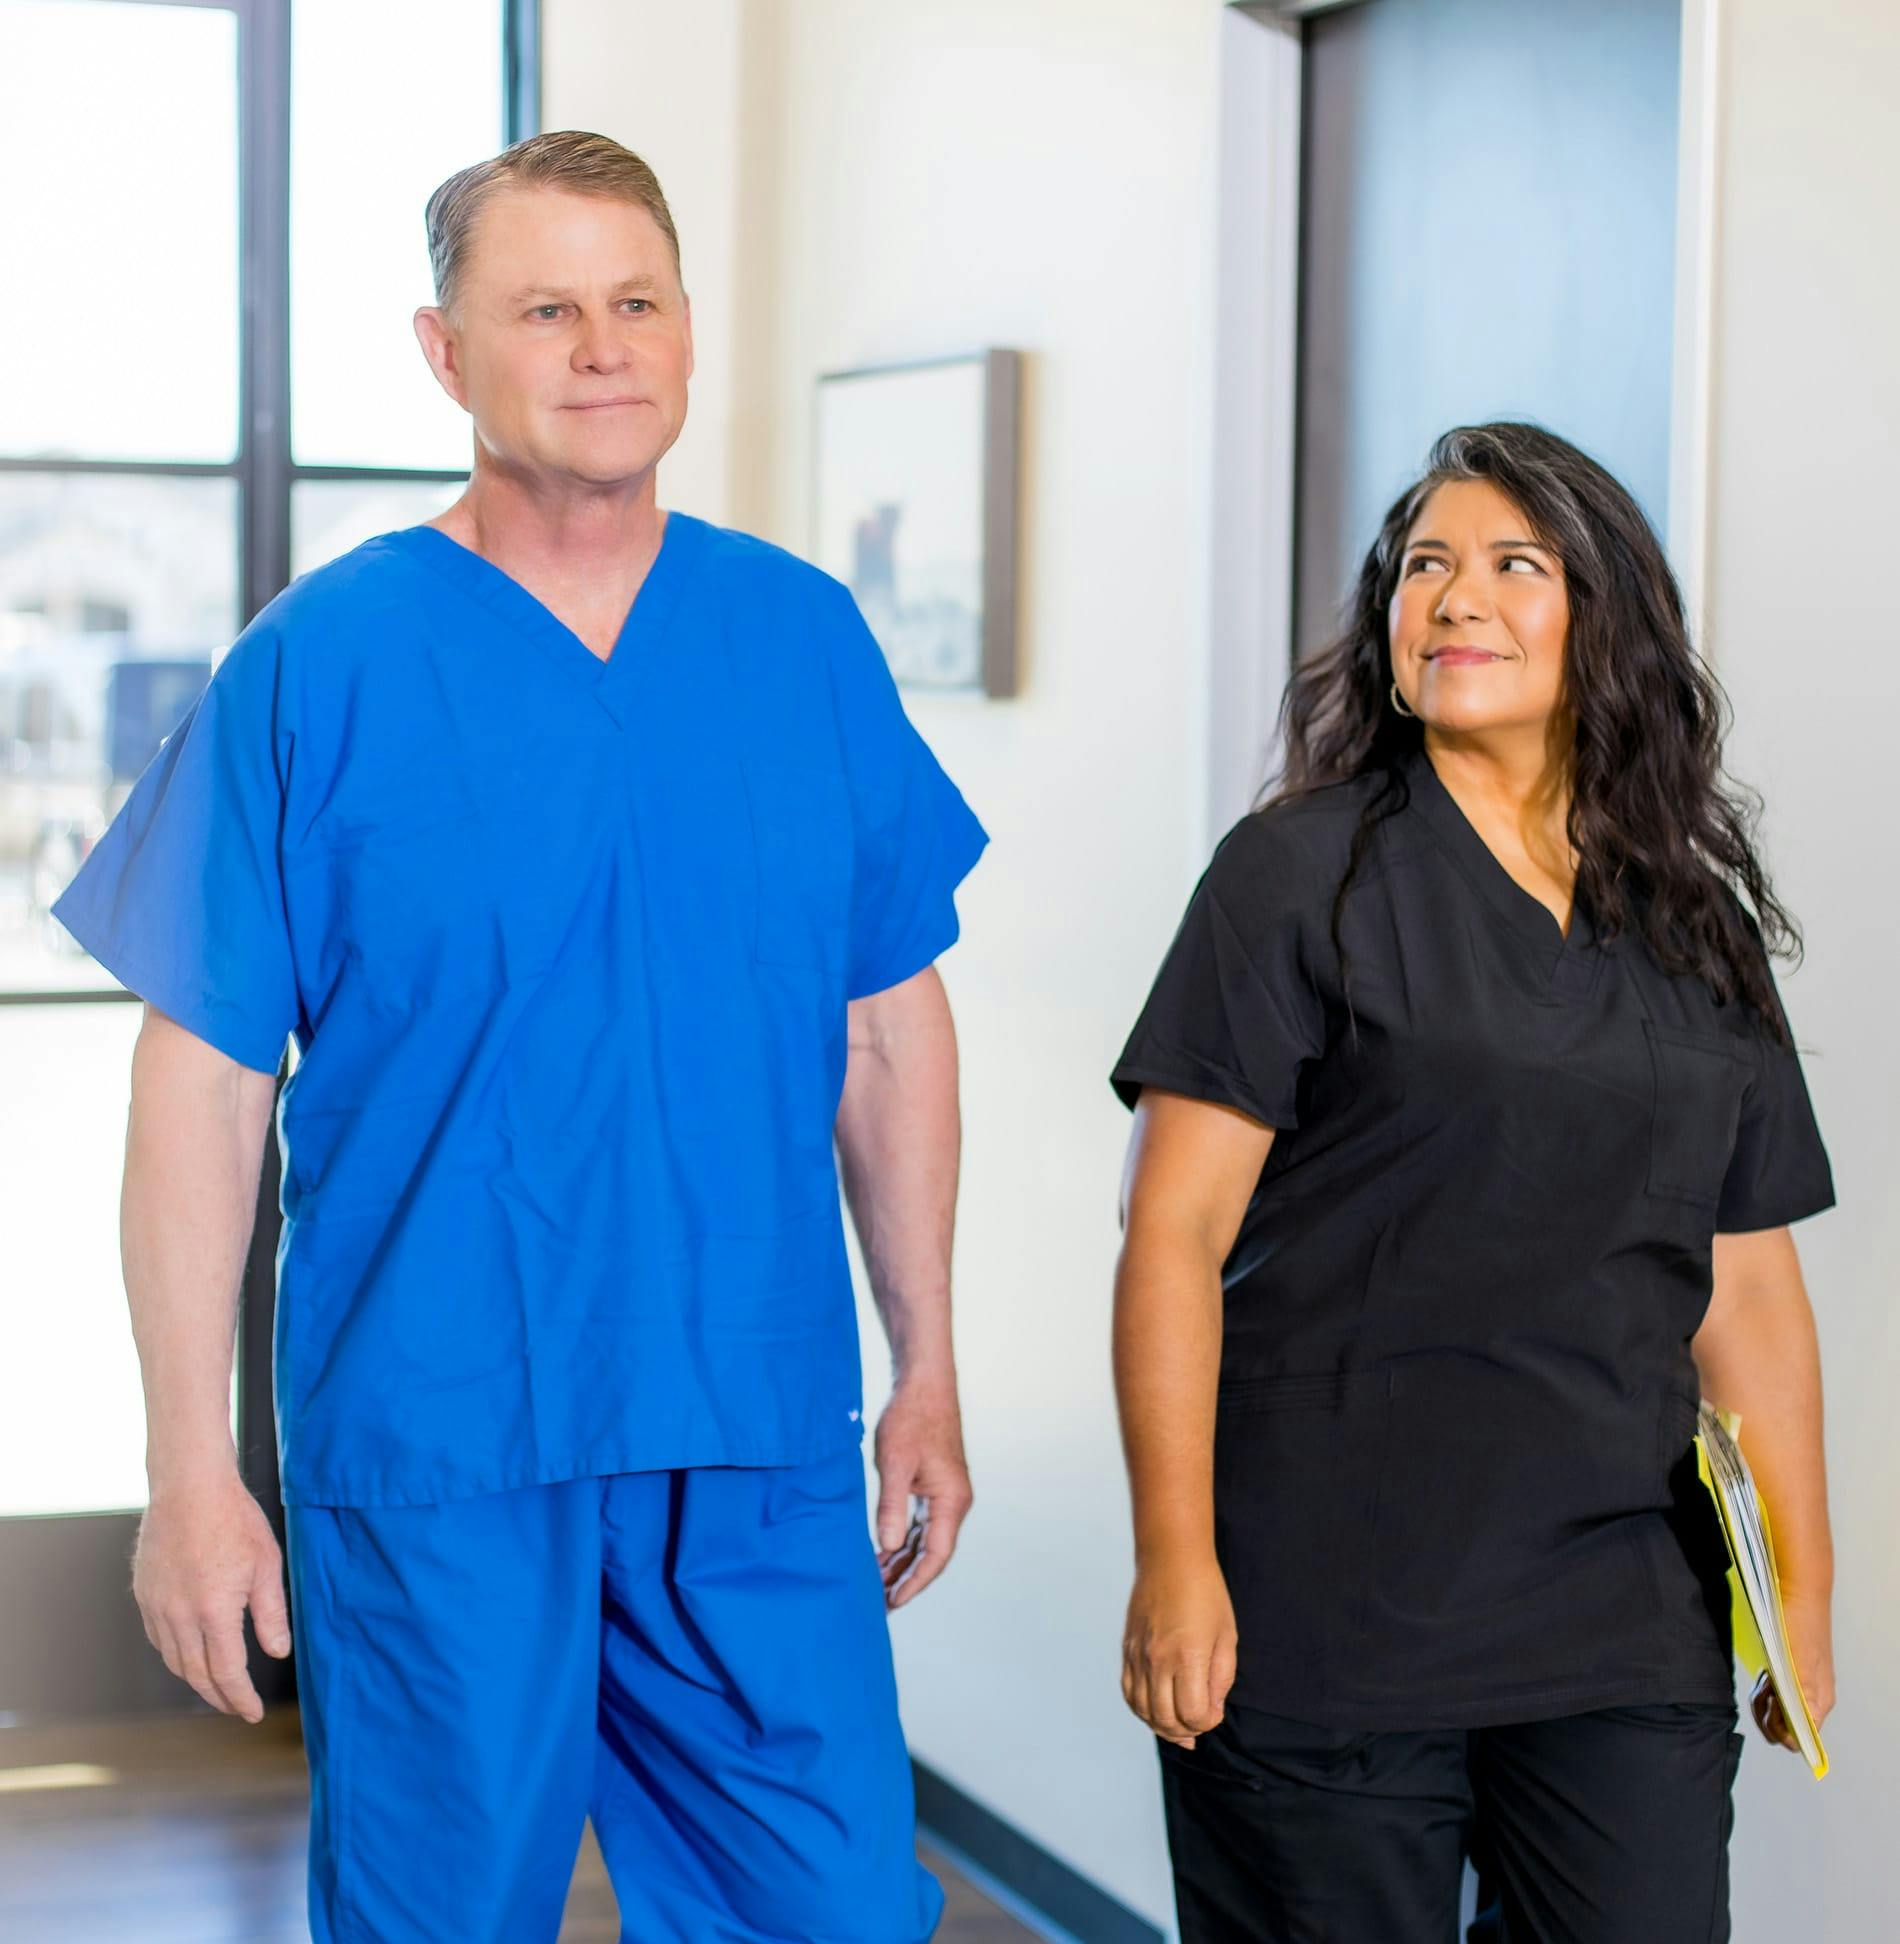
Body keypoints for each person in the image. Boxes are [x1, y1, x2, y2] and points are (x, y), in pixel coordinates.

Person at [51, 130, 986, 1943]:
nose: (600, 346)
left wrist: (926, 1357)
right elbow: (202, 1089)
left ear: (689, 334)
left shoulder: (800, 642)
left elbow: (886, 1027)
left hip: (753, 1426)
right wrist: (188, 1469)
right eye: (544, 307)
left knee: (838, 1911)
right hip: (443, 1430)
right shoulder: (317, 666)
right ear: (442, 350)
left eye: (636, 302)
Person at [1108, 422, 1836, 1942]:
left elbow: (1747, 1279)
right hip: (1326, 1604)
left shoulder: (1689, 921)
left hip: (1620, 1608)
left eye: (1514, 564)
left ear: (1604, 615)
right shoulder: (1297, 877)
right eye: (1425, 567)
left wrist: (1803, 1599)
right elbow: (1171, 1233)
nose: (1457, 598)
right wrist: (1175, 1562)